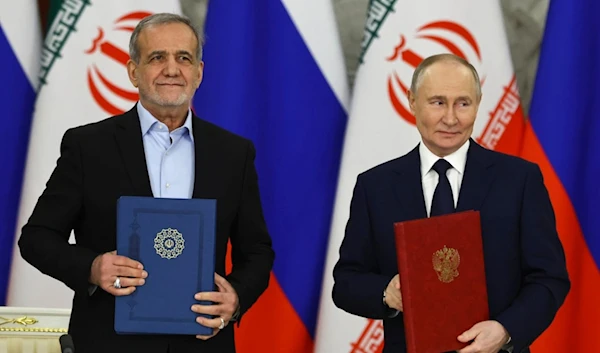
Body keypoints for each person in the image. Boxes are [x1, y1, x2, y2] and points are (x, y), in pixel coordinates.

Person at [18, 13, 274, 353]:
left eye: (184, 58)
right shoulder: (88, 146)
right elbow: (36, 238)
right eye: (157, 57)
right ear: (133, 71)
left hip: (201, 344)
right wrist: (92, 268)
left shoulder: (233, 153)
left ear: (198, 72)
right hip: (108, 343)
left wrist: (236, 298)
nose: (172, 69)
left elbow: (256, 251)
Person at [331, 53, 570, 353]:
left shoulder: (519, 180)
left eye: (463, 103)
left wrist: (506, 330)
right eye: (438, 102)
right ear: (412, 101)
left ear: (478, 104)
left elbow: (549, 279)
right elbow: (346, 283)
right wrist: (385, 293)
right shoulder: (375, 186)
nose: (451, 118)